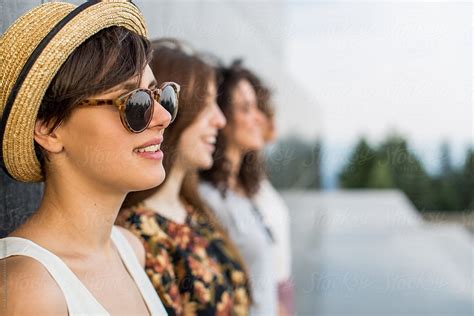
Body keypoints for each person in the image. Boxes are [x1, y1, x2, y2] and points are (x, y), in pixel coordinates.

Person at [0, 1, 178, 315]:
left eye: (160, 95)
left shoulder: (130, 249)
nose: (163, 116)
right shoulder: (28, 291)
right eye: (134, 102)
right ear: (49, 129)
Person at [118, 40, 251, 316]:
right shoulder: (137, 232)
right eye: (206, 104)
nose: (220, 120)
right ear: (172, 109)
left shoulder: (194, 211)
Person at [199, 62, 277, 316]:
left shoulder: (245, 191)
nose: (258, 118)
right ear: (221, 117)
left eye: (256, 107)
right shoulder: (208, 198)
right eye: (246, 108)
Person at [252, 83, 295, 316]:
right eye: (269, 114)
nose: (272, 124)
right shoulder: (241, 189)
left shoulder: (257, 177)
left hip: (281, 291)